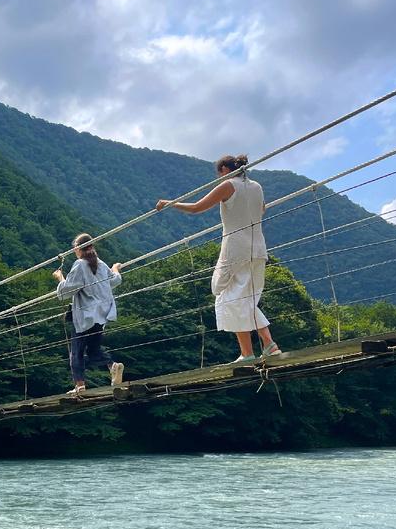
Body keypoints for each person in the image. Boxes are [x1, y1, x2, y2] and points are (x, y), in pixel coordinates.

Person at [155, 154, 281, 363]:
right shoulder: (257, 186)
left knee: (223, 293)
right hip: (258, 249)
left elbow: (197, 208)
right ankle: (268, 344)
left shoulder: (228, 185)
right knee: (246, 298)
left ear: (224, 169)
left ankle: (248, 353)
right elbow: (261, 209)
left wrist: (170, 204)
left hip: (235, 249)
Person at [52, 233, 125, 396]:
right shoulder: (101, 264)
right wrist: (115, 268)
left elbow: (66, 292)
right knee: (93, 350)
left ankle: (80, 386)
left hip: (85, 317)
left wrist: (59, 277)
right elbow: (114, 281)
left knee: (76, 352)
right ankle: (112, 365)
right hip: (101, 316)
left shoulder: (80, 265)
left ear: (78, 249)